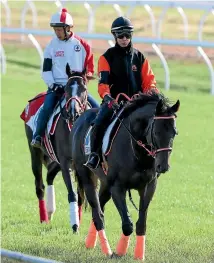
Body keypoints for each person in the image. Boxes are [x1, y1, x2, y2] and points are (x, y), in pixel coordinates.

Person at [85, 16, 159, 170]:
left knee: (159, 123)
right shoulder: (106, 57)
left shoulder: (140, 58)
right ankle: (95, 155)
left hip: (137, 104)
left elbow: (149, 82)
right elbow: (103, 84)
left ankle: (157, 157)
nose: (124, 39)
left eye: (127, 35)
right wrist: (108, 97)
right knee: (99, 122)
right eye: (121, 36)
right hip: (114, 103)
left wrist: (151, 94)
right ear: (115, 36)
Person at [31, 8, 99, 148]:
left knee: (98, 108)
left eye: (59, 29)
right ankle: (37, 136)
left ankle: (98, 141)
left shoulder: (83, 45)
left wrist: (83, 80)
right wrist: (52, 84)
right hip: (57, 87)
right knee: (47, 107)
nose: (57, 32)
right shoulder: (51, 46)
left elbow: (90, 68)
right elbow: (46, 70)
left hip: (76, 88)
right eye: (55, 30)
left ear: (68, 28)